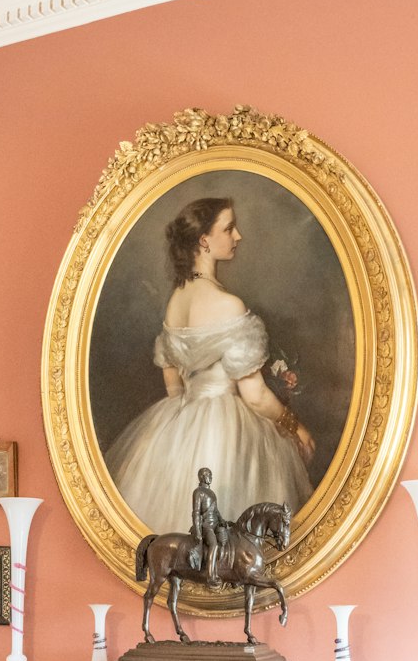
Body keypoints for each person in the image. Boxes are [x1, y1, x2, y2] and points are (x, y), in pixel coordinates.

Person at [106, 198, 314, 535]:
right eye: (229, 228)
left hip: (180, 425)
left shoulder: (176, 300)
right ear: (204, 240)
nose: (239, 236)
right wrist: (294, 426)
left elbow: (173, 386)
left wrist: (187, 428)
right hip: (227, 432)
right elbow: (255, 395)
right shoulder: (228, 305)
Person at [191, 468, 228, 583]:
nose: (211, 477)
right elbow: (196, 512)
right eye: (208, 475)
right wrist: (197, 530)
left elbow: (215, 510)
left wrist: (222, 520)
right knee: (214, 545)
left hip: (216, 523)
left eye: (211, 474)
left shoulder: (212, 493)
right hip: (206, 526)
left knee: (227, 539)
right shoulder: (198, 492)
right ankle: (211, 575)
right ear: (202, 477)